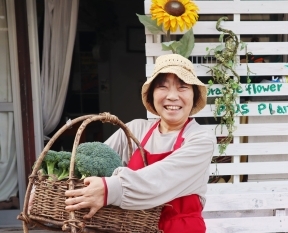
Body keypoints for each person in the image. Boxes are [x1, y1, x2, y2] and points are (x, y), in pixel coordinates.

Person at [64, 53, 216, 232]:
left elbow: (160, 178)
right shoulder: (134, 130)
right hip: (132, 228)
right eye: (162, 87)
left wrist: (108, 189)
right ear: (152, 95)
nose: (172, 96)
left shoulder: (201, 139)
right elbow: (87, 161)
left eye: (182, 87)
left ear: (194, 96)